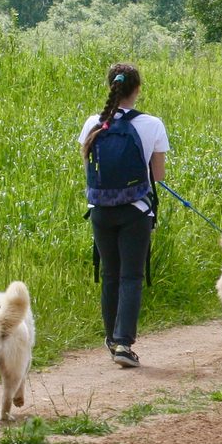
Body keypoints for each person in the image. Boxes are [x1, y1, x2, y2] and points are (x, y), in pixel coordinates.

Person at [78, 62, 169, 369]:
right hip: (136, 211)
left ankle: (110, 339)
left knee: (109, 275)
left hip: (100, 210)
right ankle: (123, 343)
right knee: (131, 276)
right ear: (138, 89)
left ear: (111, 87)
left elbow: (89, 168)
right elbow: (158, 175)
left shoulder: (94, 122)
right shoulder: (153, 124)